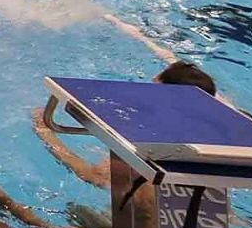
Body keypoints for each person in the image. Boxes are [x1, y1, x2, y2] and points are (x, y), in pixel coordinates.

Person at [34, 60, 217, 191]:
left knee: (77, 210)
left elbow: (94, 176)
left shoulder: (149, 142)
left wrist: (45, 132)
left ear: (162, 95)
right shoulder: (211, 139)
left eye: (152, 86)